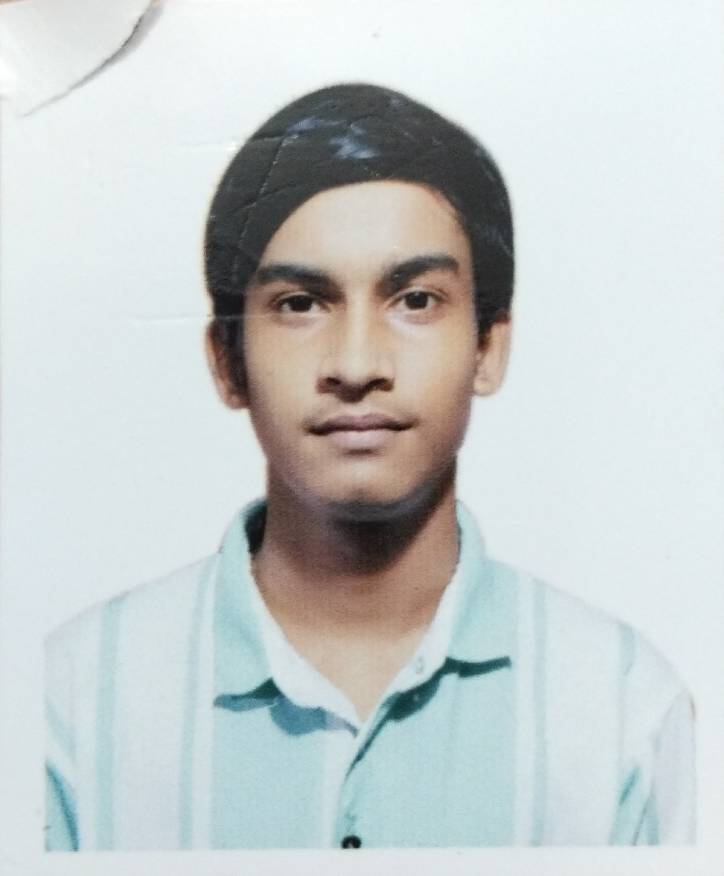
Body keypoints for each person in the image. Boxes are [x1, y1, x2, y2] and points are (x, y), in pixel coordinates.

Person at [45, 83, 695, 851]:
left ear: (489, 346)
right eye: (300, 303)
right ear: (227, 360)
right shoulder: (69, 705)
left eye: (415, 300)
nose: (356, 365)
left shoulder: (626, 710)